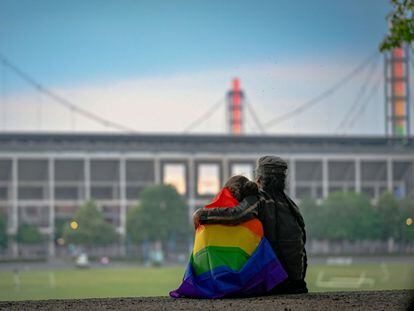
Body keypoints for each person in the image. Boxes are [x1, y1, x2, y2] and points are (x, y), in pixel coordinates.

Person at [193, 156, 308, 294]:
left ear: (259, 179)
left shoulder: (259, 199)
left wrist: (202, 214)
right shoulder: (292, 206)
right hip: (298, 282)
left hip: (278, 283)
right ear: (283, 181)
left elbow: (236, 215)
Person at [170, 175, 287, 299]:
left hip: (209, 286)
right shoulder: (256, 225)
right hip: (247, 287)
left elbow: (197, 266)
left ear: (225, 192)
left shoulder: (205, 225)